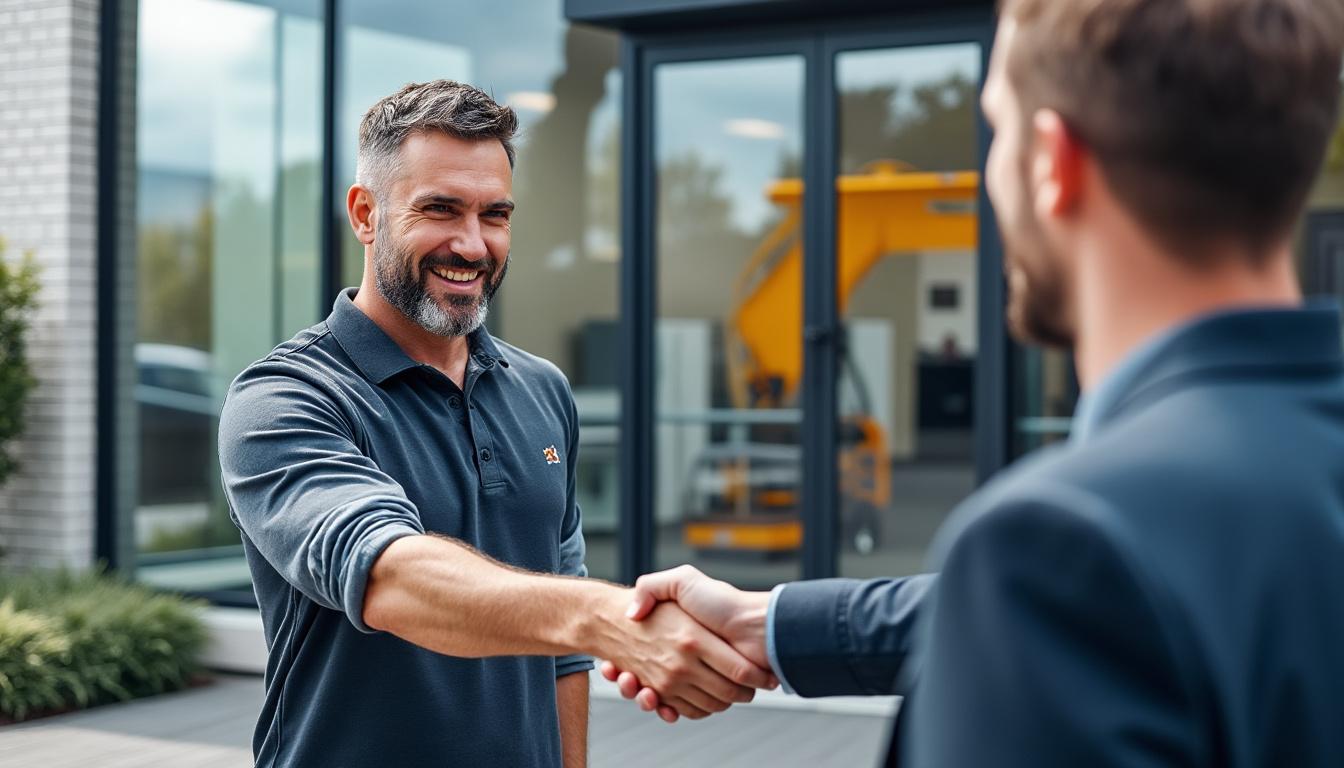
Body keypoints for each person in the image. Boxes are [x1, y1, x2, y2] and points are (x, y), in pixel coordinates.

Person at [603, 1, 1344, 765]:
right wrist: (777, 623)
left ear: (1053, 163)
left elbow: (1080, 590)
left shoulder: (1055, 543)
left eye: (997, 129)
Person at [218, 80, 774, 768]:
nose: (473, 245)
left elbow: (562, 653)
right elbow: (386, 576)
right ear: (365, 214)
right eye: (441, 209)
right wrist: (613, 622)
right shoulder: (286, 398)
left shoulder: (542, 390)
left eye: (495, 215)